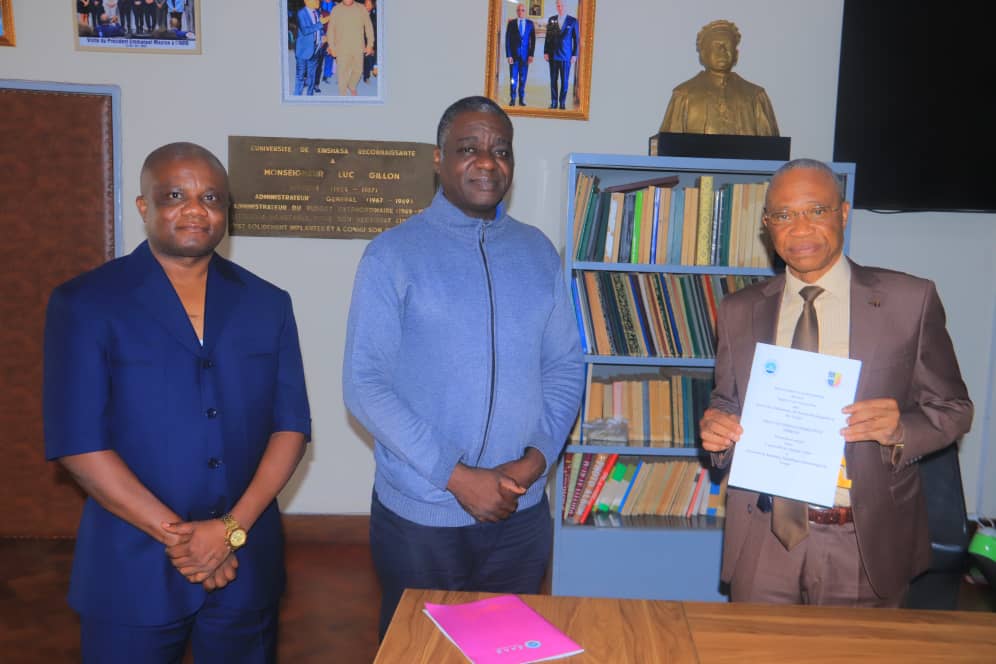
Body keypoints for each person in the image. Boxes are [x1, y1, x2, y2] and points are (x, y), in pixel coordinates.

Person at [43, 142, 311, 662]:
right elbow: (79, 443)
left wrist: (229, 532)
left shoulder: (268, 303)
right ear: (144, 207)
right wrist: (189, 542)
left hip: (247, 561)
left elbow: (291, 427)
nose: (195, 209)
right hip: (131, 567)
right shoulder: (86, 302)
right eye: (174, 195)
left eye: (211, 196)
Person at [343, 96, 585, 639]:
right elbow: (365, 386)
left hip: (520, 514)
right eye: (468, 148)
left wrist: (536, 461)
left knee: (508, 647)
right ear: (438, 159)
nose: (487, 161)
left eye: (501, 150)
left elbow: (565, 365)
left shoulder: (539, 252)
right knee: (419, 649)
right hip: (421, 519)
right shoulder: (392, 255)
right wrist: (457, 477)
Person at [699, 159, 973, 607]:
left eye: (816, 211)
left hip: (861, 540)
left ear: (843, 214)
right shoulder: (739, 310)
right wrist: (718, 430)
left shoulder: (908, 301)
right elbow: (727, 400)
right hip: (764, 537)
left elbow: (955, 408)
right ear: (768, 227)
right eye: (784, 215)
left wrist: (901, 429)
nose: (800, 228)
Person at [659, 19, 779, 136]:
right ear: (703, 54)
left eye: (727, 46)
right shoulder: (683, 95)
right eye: (716, 46)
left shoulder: (755, 96)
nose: (722, 51)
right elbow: (667, 147)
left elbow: (772, 149)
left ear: (736, 55)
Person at [326, 0, 374, 96]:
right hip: (341, 48)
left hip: (358, 47)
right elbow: (331, 30)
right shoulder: (336, 10)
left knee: (358, 71)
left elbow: (368, 27)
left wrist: (370, 45)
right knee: (342, 73)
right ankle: (342, 95)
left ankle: (351, 86)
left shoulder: (361, 8)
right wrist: (331, 47)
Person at [543, 0, 578, 109]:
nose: (560, 7)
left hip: (566, 57)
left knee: (565, 80)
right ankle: (554, 102)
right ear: (556, 6)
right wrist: (545, 52)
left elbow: (577, 39)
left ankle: (562, 102)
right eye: (558, 5)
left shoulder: (573, 21)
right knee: (553, 80)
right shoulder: (552, 20)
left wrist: (574, 54)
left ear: (565, 6)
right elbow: (548, 38)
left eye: (562, 5)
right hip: (553, 56)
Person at [294, 0, 329, 96]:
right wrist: (321, 23)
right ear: (307, 1)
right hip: (303, 51)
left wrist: (323, 36)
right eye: (316, 0)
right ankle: (297, 98)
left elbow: (319, 30)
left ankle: (310, 96)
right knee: (300, 77)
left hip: (316, 50)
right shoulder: (301, 13)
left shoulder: (317, 12)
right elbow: (305, 30)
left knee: (312, 77)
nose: (318, 1)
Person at [505, 3, 536, 106]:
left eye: (522, 10)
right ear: (516, 11)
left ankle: (521, 99)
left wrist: (531, 55)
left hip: (525, 57)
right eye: (518, 10)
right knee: (513, 79)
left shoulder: (530, 24)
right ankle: (512, 98)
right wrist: (508, 55)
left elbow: (533, 40)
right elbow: (507, 40)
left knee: (523, 79)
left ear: (525, 11)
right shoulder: (511, 23)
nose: (520, 12)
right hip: (513, 57)